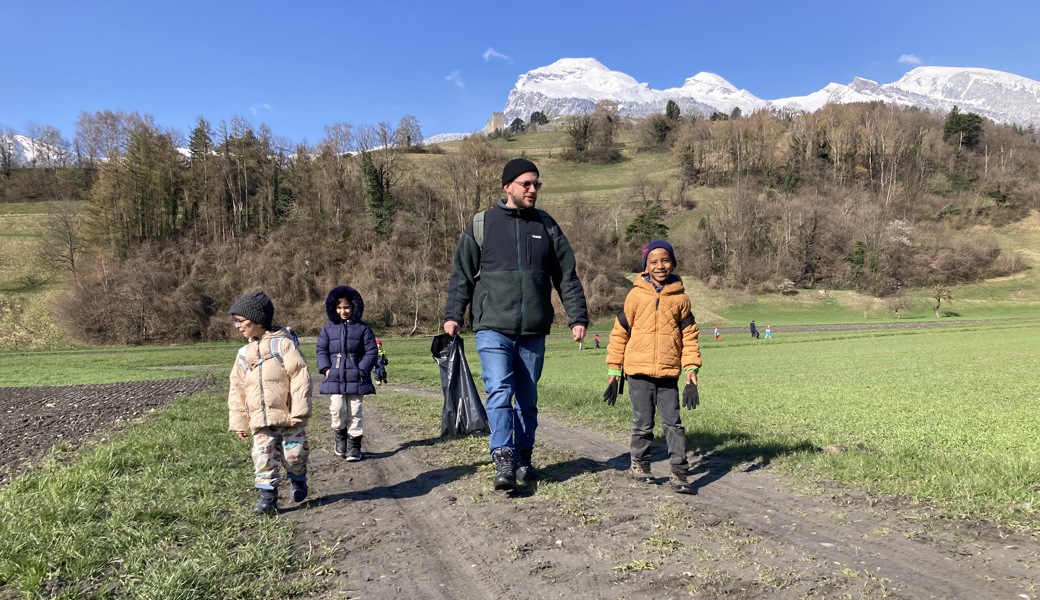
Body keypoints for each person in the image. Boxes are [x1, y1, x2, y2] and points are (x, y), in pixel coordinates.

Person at [444, 158, 589, 492]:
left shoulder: (547, 226)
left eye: (537, 184)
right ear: (507, 186)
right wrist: (453, 314)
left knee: (527, 397)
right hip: (492, 325)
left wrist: (577, 316)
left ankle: (524, 455)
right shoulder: (482, 224)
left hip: (534, 329)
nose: (533, 189)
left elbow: (565, 276)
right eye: (526, 184)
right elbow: (461, 275)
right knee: (499, 389)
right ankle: (503, 454)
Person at [606, 240, 701, 494]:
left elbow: (690, 337)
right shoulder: (635, 295)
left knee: (674, 424)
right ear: (645, 267)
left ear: (673, 263)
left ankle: (679, 472)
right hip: (637, 372)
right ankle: (639, 464)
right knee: (643, 423)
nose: (660, 266)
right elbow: (619, 333)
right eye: (654, 262)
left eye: (665, 260)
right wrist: (614, 371)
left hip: (668, 373)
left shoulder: (681, 299)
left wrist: (691, 370)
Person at [227, 290, 312, 514]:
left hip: (288, 417)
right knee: (263, 458)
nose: (237, 326)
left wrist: (299, 413)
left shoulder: (283, 346)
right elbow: (237, 389)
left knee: (295, 456)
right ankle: (268, 498)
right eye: (235, 321)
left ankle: (298, 478)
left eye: (240, 321)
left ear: (258, 320)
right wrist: (239, 422)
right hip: (260, 420)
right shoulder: (243, 354)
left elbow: (300, 377)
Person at [316, 286, 378, 462]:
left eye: (347, 307)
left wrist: (362, 369)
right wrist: (326, 369)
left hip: (356, 378)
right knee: (337, 409)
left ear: (354, 307)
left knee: (355, 411)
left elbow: (371, 351)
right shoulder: (328, 328)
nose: (343, 311)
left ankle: (354, 447)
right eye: (339, 308)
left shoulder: (363, 328)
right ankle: (340, 435)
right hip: (334, 377)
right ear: (333, 308)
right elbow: (321, 349)